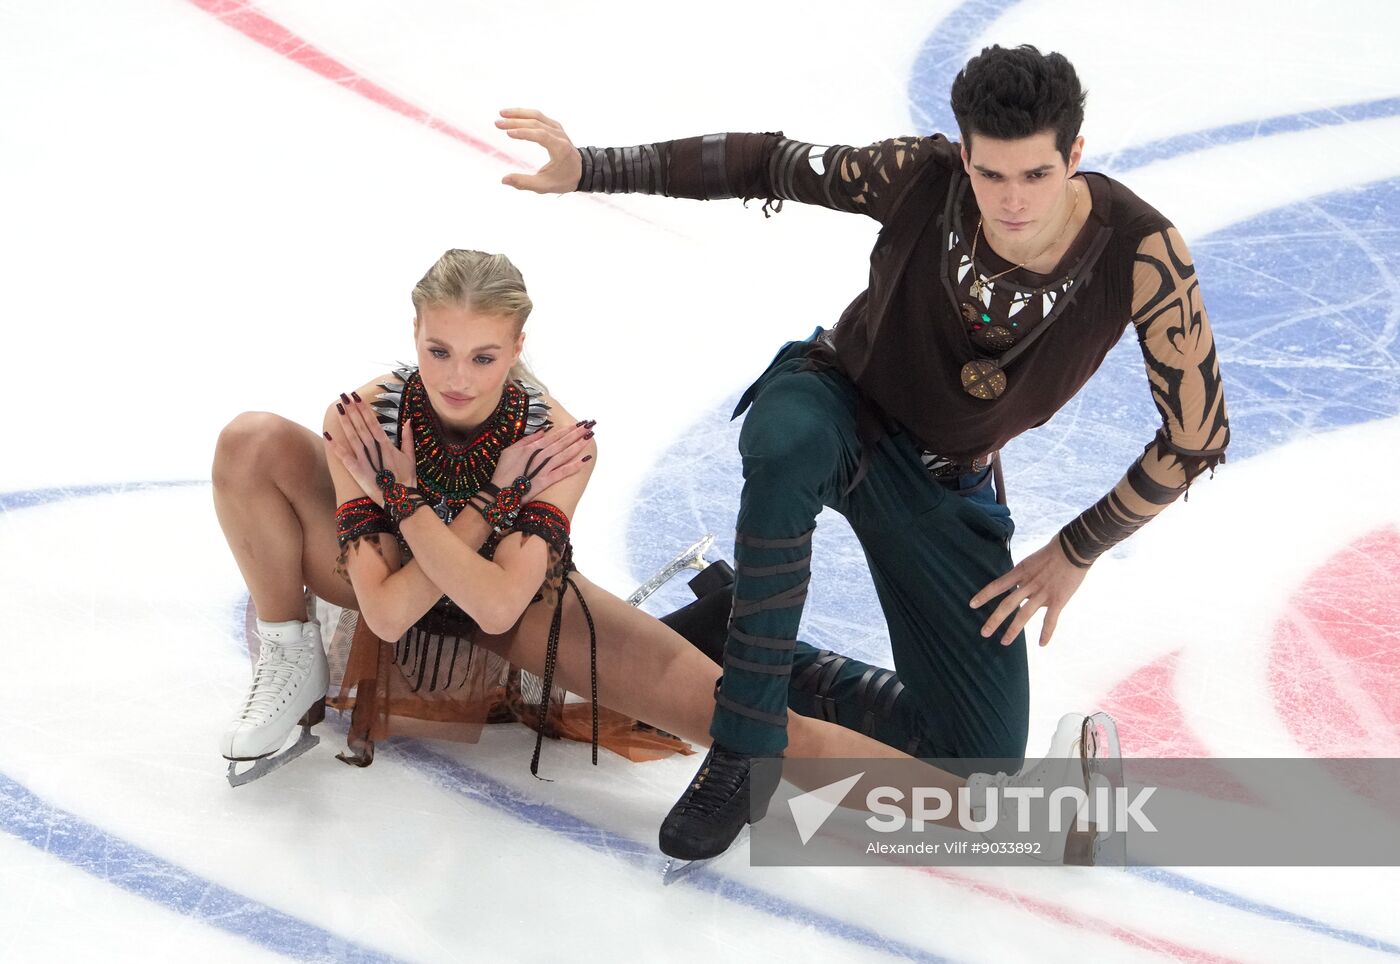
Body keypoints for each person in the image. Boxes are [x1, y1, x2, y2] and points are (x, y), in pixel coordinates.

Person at [498, 43, 1229, 861]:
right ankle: (742, 752)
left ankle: (730, 630)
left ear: (1076, 156)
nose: (1012, 200)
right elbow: (768, 163)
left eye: (1036, 176)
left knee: (976, 763)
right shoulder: (920, 176)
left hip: (947, 482)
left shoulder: (1141, 254)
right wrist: (589, 166)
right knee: (784, 441)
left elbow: (1198, 434)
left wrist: (1077, 549)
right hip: (840, 406)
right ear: (964, 155)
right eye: (991, 175)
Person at [215, 249, 1096, 836]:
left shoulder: (558, 437)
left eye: (483, 357)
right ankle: (292, 655)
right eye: (439, 351)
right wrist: (476, 499)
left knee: (750, 728)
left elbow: (489, 602)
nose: (456, 377)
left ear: (518, 348)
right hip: (391, 588)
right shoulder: (366, 411)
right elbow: (387, 606)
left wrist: (411, 498)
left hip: (527, 618)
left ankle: (1023, 815)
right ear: (414, 337)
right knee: (252, 439)